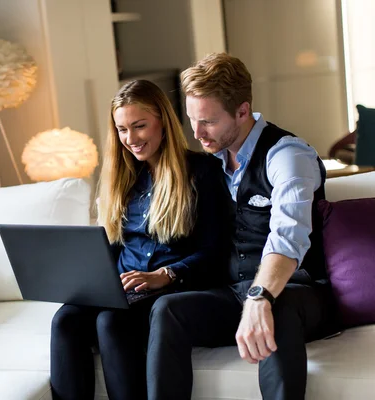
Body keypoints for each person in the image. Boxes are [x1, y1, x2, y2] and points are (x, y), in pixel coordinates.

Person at [147, 53, 334, 400]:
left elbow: (287, 237)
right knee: (167, 310)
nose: (197, 133)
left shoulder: (287, 156)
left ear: (243, 111)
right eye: (192, 120)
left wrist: (259, 296)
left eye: (208, 122)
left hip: (299, 292)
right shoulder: (211, 162)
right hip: (235, 290)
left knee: (276, 306)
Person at [50, 80, 231, 400]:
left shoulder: (202, 171)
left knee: (111, 321)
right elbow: (117, 245)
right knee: (65, 320)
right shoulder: (126, 179)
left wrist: (165, 275)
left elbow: (214, 251)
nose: (130, 139)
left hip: (169, 286)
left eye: (139, 126)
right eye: (122, 129)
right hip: (122, 286)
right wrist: (84, 275)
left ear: (162, 121)